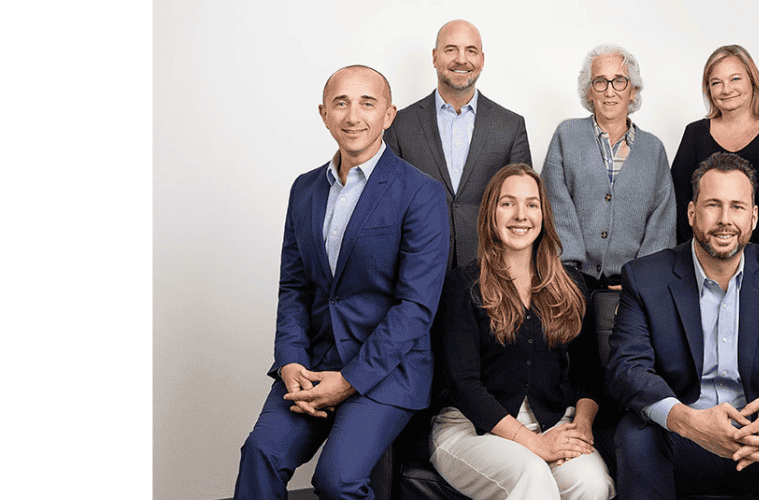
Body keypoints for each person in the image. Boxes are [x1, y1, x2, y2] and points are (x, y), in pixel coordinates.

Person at [232, 65, 451, 500]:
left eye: (367, 103)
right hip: (311, 364)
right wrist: (291, 361)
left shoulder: (420, 193)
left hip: (388, 371)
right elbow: (294, 287)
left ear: (389, 115)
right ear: (324, 114)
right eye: (341, 103)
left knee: (337, 480)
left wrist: (348, 380)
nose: (353, 115)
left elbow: (415, 310)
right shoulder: (304, 189)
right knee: (260, 452)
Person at [606, 152, 759, 500]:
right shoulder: (645, 277)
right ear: (692, 212)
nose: (725, 220)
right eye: (713, 205)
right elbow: (627, 368)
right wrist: (688, 422)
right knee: (636, 436)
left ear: (753, 217)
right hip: (688, 438)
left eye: (738, 207)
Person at [430, 165, 612, 500]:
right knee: (531, 476)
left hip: (553, 422)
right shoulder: (462, 286)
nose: (520, 215)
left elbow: (589, 374)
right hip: (471, 428)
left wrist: (582, 427)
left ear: (543, 215)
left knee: (593, 485)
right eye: (507, 203)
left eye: (531, 204)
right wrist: (533, 444)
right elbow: (464, 385)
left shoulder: (572, 285)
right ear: (491, 213)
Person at [540, 43, 676, 378]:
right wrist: (570, 270)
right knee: (572, 369)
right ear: (589, 91)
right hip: (572, 278)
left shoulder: (654, 149)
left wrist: (637, 276)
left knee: (627, 368)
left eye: (619, 81)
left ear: (633, 90)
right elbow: (553, 199)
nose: (610, 91)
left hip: (630, 284)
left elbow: (662, 219)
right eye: (600, 82)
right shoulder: (566, 135)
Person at [386, 19, 534, 269]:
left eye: (471, 51)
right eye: (451, 49)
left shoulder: (510, 126)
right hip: (417, 266)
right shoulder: (400, 125)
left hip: (490, 267)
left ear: (482, 60)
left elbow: (524, 202)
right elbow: (389, 203)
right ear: (435, 57)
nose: (461, 59)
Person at [669, 45, 759, 249]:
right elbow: (679, 207)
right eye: (716, 83)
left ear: (753, 80)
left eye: (735, 79)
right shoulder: (695, 133)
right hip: (710, 254)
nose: (726, 90)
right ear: (708, 89)